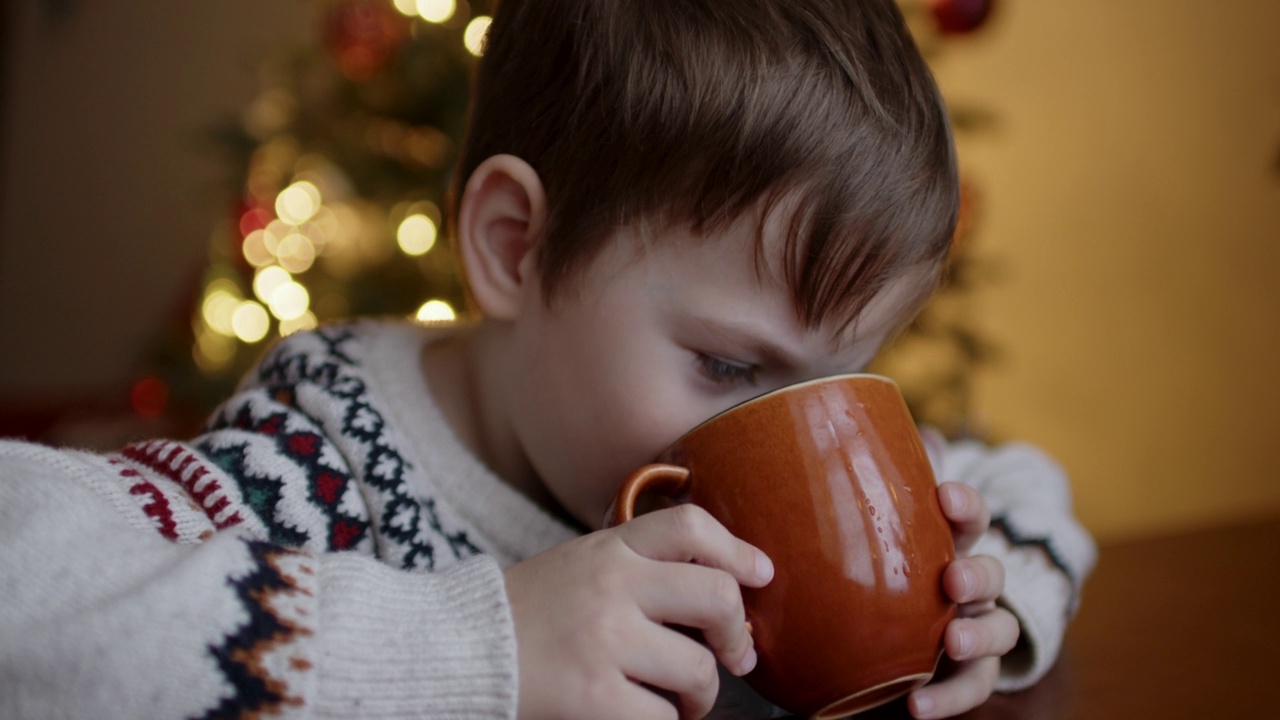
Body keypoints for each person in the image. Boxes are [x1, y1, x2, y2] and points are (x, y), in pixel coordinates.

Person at [0, 0, 1096, 718]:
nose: (789, 423)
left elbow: (1023, 485)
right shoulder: (322, 470)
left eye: (837, 376)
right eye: (726, 367)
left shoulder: (702, 439)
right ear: (515, 247)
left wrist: (981, 607)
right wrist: (477, 647)